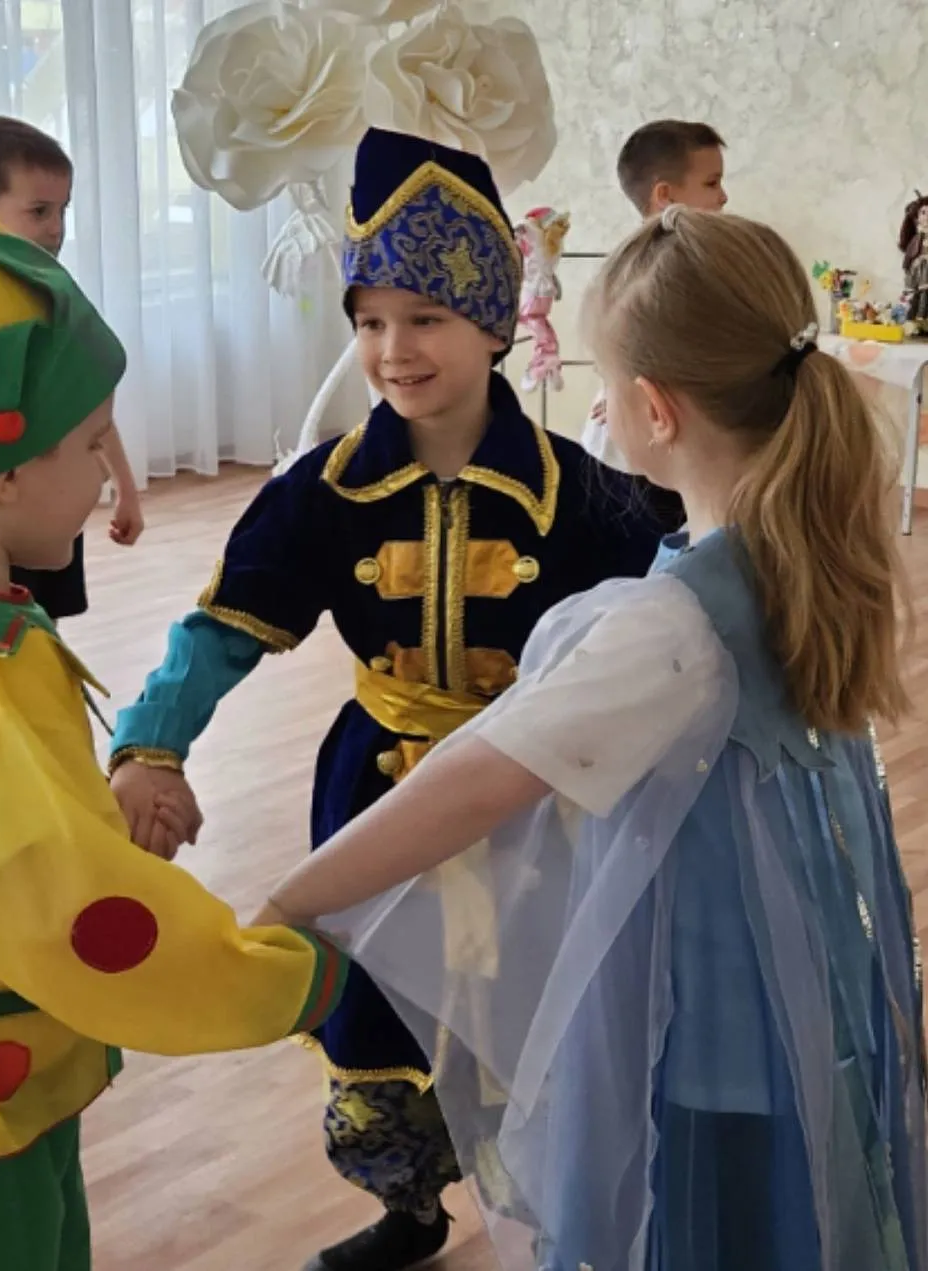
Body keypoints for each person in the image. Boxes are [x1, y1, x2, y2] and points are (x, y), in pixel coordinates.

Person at [253, 207, 927, 1271]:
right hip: (808, 999)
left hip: (706, 1023)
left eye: (607, 384)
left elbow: (471, 785)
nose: (599, 405)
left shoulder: (667, 628)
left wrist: (290, 905)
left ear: (653, 408)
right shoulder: (807, 556)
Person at [108, 127, 680, 1271]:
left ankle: (553, 1211)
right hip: (372, 792)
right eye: (369, 321)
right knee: (371, 1006)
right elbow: (221, 629)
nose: (392, 349)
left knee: (533, 1004)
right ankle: (412, 1207)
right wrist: (150, 745)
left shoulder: (584, 495)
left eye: (424, 317)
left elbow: (678, 615)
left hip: (531, 803)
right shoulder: (324, 492)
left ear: (493, 321)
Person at [0, 168, 347, 1271]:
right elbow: (58, 906)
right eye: (91, 448)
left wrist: (106, 819)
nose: (106, 479)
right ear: (5, 472)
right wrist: (276, 974)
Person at [0, 115, 144, 622]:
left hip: (49, 504)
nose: (56, 227)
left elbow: (89, 403)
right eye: (39, 211)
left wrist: (125, 487)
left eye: (62, 210)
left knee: (43, 624)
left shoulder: (54, 296)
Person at [582, 119, 727, 471]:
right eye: (711, 183)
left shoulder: (704, 263)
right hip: (638, 433)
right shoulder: (641, 269)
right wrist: (617, 386)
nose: (723, 196)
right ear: (664, 195)